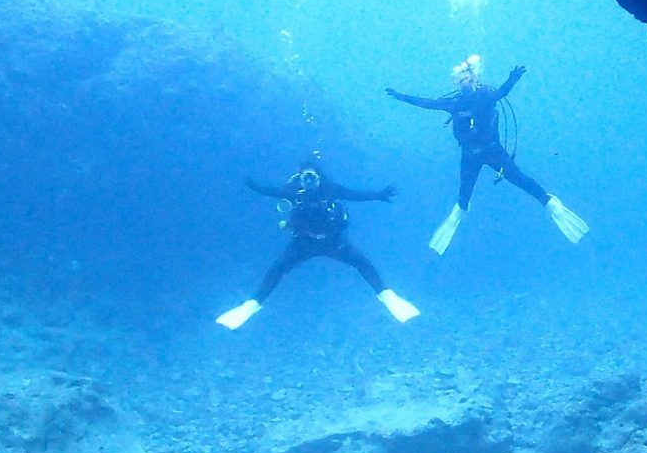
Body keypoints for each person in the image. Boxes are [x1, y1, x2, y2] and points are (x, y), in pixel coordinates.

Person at [385, 54, 588, 254]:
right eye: (459, 80)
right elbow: (427, 103)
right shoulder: (454, 103)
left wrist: (513, 78)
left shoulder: (485, 97)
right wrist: (400, 96)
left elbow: (502, 92)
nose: (462, 83)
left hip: (493, 152)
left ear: (475, 79)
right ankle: (459, 212)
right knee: (465, 191)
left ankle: (550, 204)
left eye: (466, 79)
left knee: (520, 179)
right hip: (470, 155)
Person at [216, 157, 420, 329]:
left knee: (364, 264)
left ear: (319, 177)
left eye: (313, 176)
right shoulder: (293, 190)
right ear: (299, 177)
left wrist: (378, 195)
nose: (309, 181)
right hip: (303, 244)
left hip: (334, 242)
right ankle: (252, 304)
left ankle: (388, 296)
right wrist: (254, 186)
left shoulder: (330, 189)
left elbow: (353, 194)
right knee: (276, 270)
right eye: (305, 177)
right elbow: (270, 191)